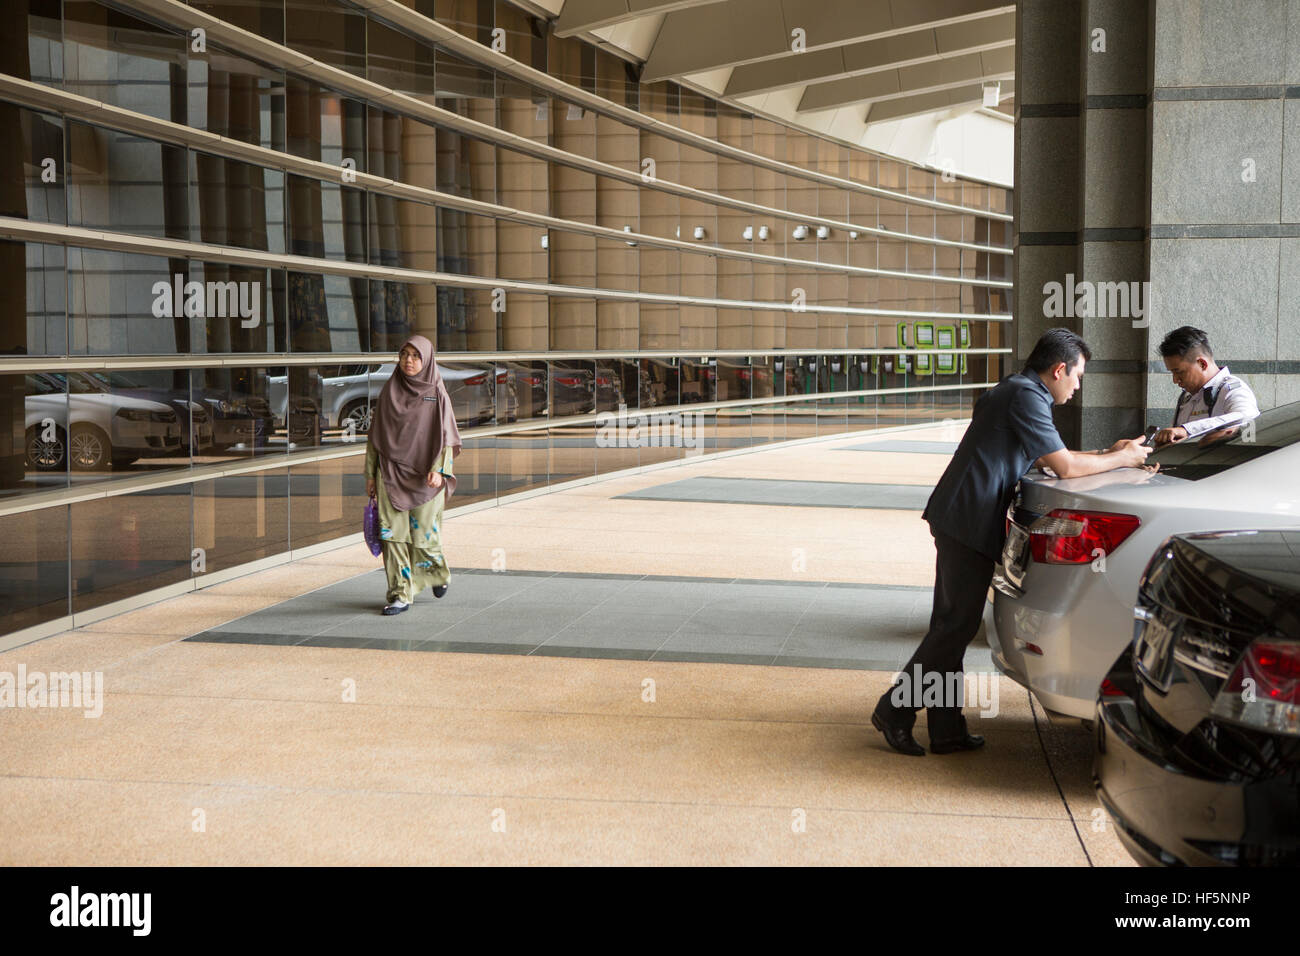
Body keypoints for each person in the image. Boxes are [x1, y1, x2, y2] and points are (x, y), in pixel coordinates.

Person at [871, 328, 1151, 756]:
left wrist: (1109, 453)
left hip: (960, 516)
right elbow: (1065, 468)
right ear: (1059, 370)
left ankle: (946, 729)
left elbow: (1055, 458)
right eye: (1077, 376)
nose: (1077, 386)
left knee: (952, 626)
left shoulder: (1016, 390)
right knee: (955, 627)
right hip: (967, 521)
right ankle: (894, 710)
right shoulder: (1027, 397)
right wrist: (1124, 458)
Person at [364, 335, 463, 616]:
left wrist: (440, 470)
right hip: (389, 474)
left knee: (423, 537)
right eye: (404, 354)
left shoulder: (437, 392)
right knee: (392, 536)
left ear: (427, 360)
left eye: (416, 356)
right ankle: (400, 595)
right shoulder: (390, 391)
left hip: (425, 476)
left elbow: (447, 437)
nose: (409, 360)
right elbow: (375, 438)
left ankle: (436, 573)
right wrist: (370, 474)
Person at [1153, 326, 1259, 447]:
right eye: (1172, 372)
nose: (1175, 380)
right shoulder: (1186, 396)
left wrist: (1187, 430)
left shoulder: (1233, 389)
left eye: (1179, 372)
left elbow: (1246, 417)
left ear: (1202, 364)